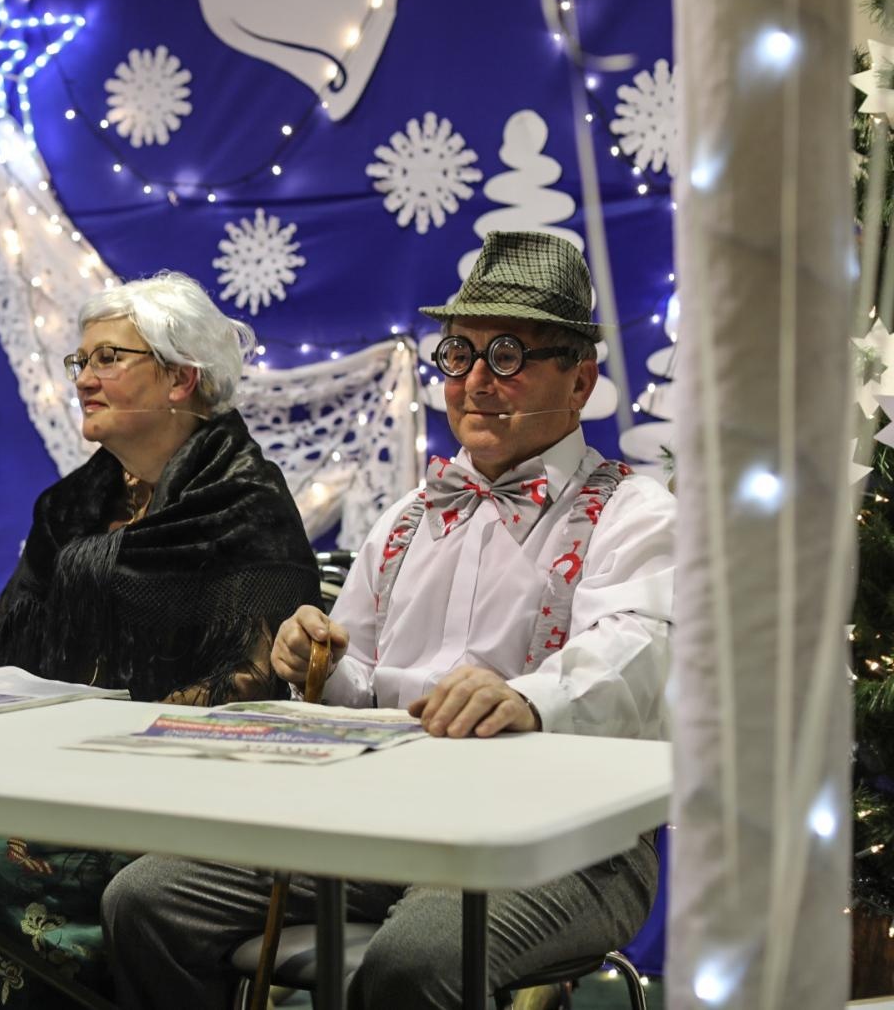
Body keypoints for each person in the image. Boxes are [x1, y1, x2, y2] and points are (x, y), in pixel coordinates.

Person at [101, 231, 675, 1009]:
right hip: (383, 821)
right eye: (459, 354)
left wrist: (530, 698)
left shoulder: (636, 511)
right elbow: (355, 689)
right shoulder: (408, 517)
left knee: (415, 958)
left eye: (507, 356)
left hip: (565, 840)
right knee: (144, 898)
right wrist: (314, 656)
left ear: (580, 380)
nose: (475, 381)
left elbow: (638, 648)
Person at [0, 272, 320, 1009]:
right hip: (42, 778)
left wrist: (98, 747)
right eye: (81, 362)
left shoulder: (246, 507)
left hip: (159, 804)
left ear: (180, 378)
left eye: (110, 357)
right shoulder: (75, 504)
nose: (85, 378)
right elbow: (5, 652)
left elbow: (246, 693)